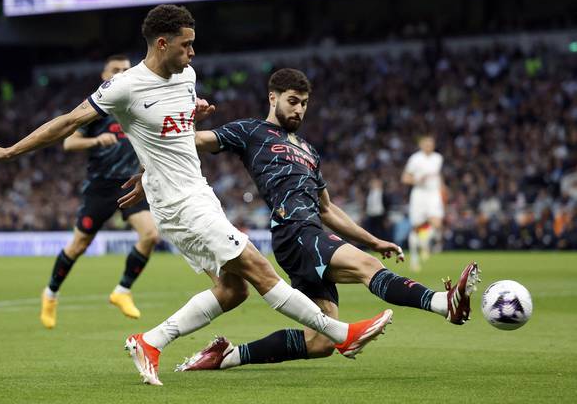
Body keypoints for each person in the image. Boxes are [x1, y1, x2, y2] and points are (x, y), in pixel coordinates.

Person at [0, 4, 392, 387]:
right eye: (186, 44)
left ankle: (150, 341)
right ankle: (342, 334)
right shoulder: (126, 87)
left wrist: (157, 156)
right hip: (178, 203)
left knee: (233, 290)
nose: (193, 53)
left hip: (199, 192)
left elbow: (167, 134)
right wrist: (11, 151)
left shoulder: (186, 77)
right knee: (258, 268)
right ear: (162, 43)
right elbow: (68, 122)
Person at [135, 68, 478, 372]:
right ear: (273, 98)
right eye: (292, 101)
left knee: (320, 343)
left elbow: (327, 208)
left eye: (304, 104)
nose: (299, 109)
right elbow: (193, 142)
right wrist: (157, 164)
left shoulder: (310, 151)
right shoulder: (250, 132)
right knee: (365, 267)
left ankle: (226, 356)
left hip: (313, 230)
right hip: (294, 232)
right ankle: (440, 303)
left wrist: (371, 238)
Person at [39, 55, 160, 329]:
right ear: (104, 75)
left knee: (151, 234)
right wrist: (96, 140)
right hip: (100, 186)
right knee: (79, 245)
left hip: (130, 183)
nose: (120, 74)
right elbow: (69, 143)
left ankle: (122, 291)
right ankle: (50, 294)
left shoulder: (137, 105)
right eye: (115, 70)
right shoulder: (96, 109)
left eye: (125, 70)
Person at [401, 135, 445, 272]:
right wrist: (418, 181)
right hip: (419, 194)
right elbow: (405, 178)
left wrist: (443, 188)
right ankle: (414, 258)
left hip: (433, 194)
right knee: (417, 227)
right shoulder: (415, 159)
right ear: (421, 145)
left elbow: (438, 175)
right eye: (426, 144)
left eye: (431, 144)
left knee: (436, 223)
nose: (429, 146)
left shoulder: (438, 158)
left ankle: (425, 243)